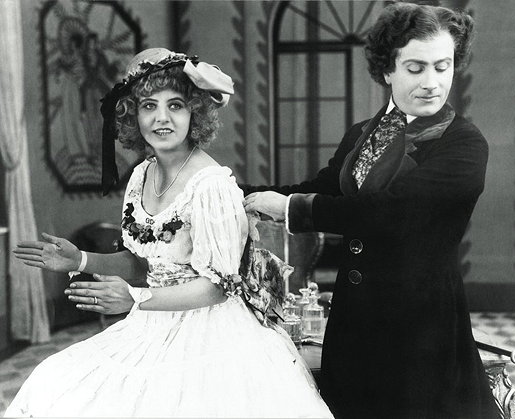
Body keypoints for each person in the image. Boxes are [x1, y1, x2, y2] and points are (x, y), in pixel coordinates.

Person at [7, 48, 333, 418]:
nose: (162, 118)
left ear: (195, 112)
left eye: (175, 105)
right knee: (54, 380)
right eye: (149, 106)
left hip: (213, 334)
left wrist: (135, 298)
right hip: (151, 323)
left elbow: (218, 287)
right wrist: (80, 259)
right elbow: (142, 263)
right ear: (133, 115)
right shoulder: (141, 175)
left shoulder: (211, 184)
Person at [243, 3, 500, 419]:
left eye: (443, 66)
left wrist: (291, 208)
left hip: (422, 330)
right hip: (354, 323)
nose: (432, 82)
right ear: (387, 70)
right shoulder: (363, 133)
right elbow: (322, 188)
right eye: (415, 68)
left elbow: (390, 212)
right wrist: (237, 192)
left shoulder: (464, 145)